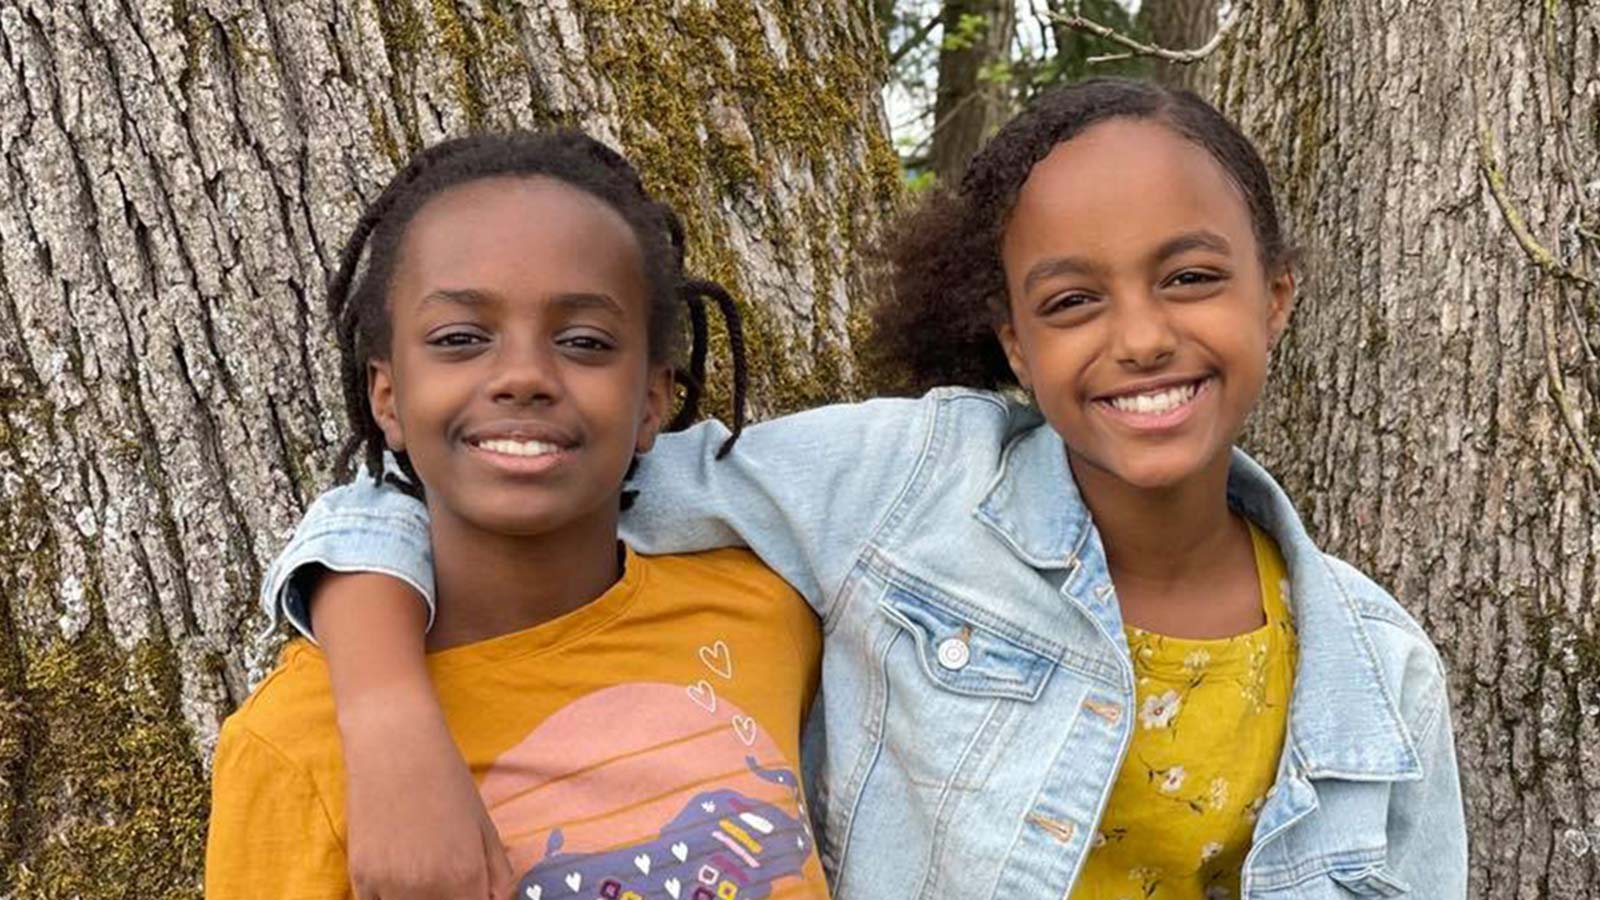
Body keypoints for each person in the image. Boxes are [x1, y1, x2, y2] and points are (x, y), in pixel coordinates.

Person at [262, 79, 1468, 898]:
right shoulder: (901, 487)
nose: (1141, 338)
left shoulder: (1376, 667)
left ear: (1277, 296)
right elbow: (515, 477)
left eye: (1191, 277)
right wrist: (383, 709)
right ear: (1008, 341)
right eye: (1071, 302)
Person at [204, 130, 832, 900]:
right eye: (461, 339)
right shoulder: (297, 745)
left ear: (653, 402)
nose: (525, 376)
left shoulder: (766, 616)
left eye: (584, 341)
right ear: (387, 397)